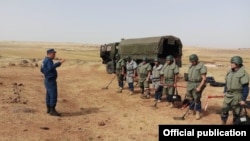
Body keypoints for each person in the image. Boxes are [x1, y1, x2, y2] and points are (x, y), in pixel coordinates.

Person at [221, 56, 249, 125]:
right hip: (228, 95)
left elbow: (246, 87)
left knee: (236, 112)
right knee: (224, 110)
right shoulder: (230, 72)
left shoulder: (243, 74)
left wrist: (243, 99)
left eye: (232, 63)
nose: (231, 64)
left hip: (237, 96)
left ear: (237, 64)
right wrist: (225, 91)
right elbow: (226, 83)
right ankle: (223, 122)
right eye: (231, 62)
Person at [41, 48, 65, 116]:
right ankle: (52, 110)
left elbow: (42, 69)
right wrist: (60, 62)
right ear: (49, 54)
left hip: (48, 80)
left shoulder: (45, 60)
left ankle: (49, 109)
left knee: (48, 95)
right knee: (53, 95)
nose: (54, 55)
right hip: (50, 80)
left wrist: (46, 74)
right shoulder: (48, 60)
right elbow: (51, 67)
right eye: (53, 54)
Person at [185, 54, 207, 120]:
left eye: (193, 61)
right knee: (190, 98)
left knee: (197, 99)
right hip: (190, 84)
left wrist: (199, 87)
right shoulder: (191, 66)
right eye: (191, 61)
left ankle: (198, 112)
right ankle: (191, 110)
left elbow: (204, 79)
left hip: (197, 84)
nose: (192, 62)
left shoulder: (202, 66)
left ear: (196, 60)